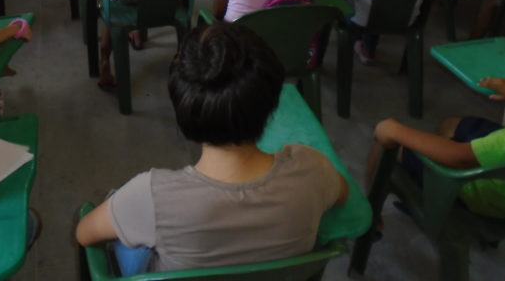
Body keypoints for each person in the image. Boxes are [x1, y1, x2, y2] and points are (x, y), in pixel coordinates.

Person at [75, 23, 348, 275]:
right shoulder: (313, 170)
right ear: (272, 105)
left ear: (184, 113)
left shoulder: (152, 196)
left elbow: (84, 233)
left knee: (123, 226)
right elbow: (341, 194)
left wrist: (123, 205)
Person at [370, 36, 505, 220]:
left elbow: (460, 157)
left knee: (385, 146)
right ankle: (429, 191)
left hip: (491, 199)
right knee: (452, 124)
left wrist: (394, 130)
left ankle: (371, 218)